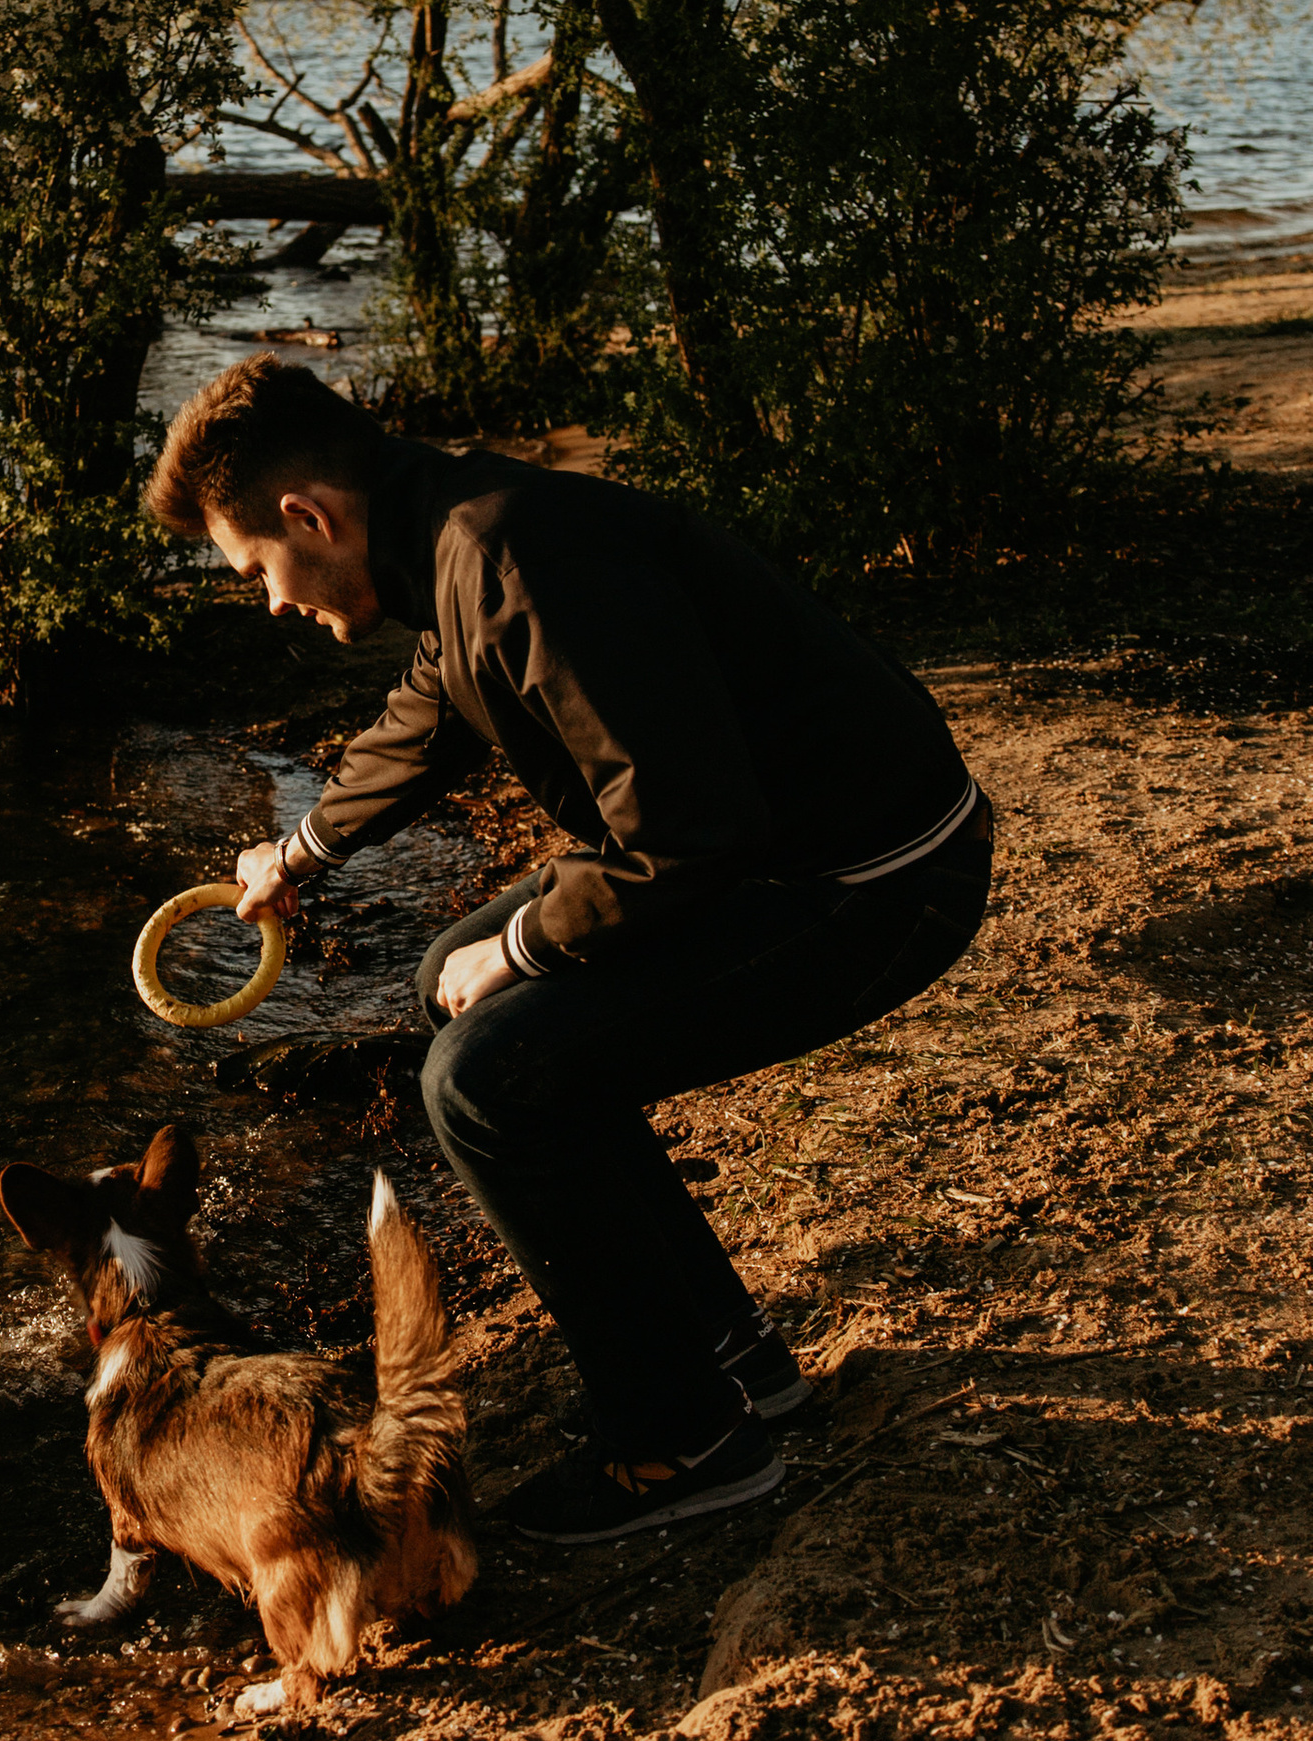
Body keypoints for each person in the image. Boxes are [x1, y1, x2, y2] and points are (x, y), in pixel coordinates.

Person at [144, 356, 992, 1546]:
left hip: (876, 883)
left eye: (255, 573)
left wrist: (532, 944)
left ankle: (682, 1442)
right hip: (794, 856)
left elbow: (688, 833)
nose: (269, 601)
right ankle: (723, 1357)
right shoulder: (456, 531)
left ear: (306, 517)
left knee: (486, 1080)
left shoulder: (510, 558)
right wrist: (299, 853)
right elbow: (438, 702)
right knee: (454, 975)